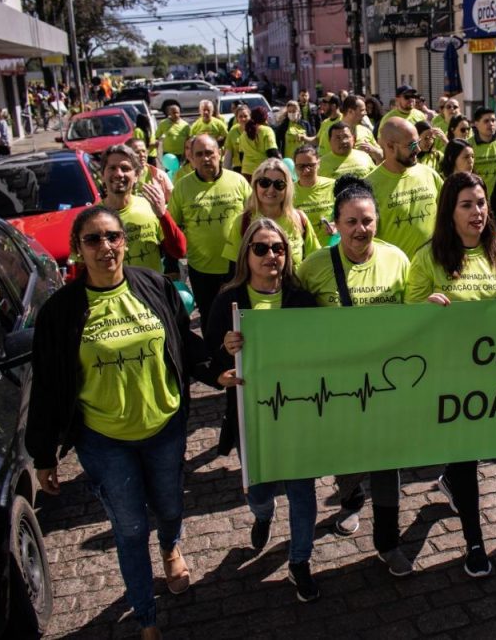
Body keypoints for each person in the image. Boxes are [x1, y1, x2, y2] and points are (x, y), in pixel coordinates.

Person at [26, 206, 211, 640]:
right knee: (128, 528)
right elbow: (49, 384)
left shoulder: (154, 285)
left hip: (164, 426)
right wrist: (43, 453)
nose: (105, 247)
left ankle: (170, 546)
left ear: (125, 241)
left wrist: (216, 368)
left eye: (112, 237)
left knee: (169, 508)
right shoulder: (61, 312)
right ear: (77, 250)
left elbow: (183, 341)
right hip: (104, 440)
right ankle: (146, 617)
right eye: (93, 240)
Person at [405, 171, 496, 576]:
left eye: (481, 203)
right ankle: (475, 543)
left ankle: (448, 478)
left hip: (493, 375)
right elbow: (408, 319)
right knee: (467, 458)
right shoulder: (428, 257)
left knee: (472, 452)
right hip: (449, 375)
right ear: (450, 211)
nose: (477, 211)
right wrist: (426, 305)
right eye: (467, 204)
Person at [296, 183, 413, 577]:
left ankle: (387, 542)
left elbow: (417, 317)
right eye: (351, 222)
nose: (360, 229)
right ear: (335, 224)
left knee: (386, 464)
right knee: (342, 457)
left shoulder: (398, 259)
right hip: (338, 389)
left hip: (386, 386)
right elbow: (286, 321)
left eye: (367, 220)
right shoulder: (313, 267)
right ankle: (349, 498)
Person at [205, 218, 322, 601]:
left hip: (298, 412)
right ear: (246, 254)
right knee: (257, 488)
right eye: (261, 248)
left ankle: (300, 561)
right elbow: (211, 361)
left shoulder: (301, 299)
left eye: (278, 248)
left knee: (303, 489)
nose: (271, 255)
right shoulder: (228, 300)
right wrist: (226, 351)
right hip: (251, 414)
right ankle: (263, 514)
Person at [168, 134, 253, 328]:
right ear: (191, 158)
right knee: (210, 320)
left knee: (241, 320)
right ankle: (214, 358)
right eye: (199, 154)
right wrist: (171, 265)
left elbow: (255, 218)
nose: (205, 158)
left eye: (209, 153)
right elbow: (173, 228)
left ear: (220, 153)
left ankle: (241, 359)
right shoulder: (182, 188)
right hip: (202, 270)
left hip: (239, 267)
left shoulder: (238, 181)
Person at [100, 144, 186, 273]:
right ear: (102, 175)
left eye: (125, 168)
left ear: (136, 176)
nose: (118, 174)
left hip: (151, 290)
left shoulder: (151, 207)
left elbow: (179, 251)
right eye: (112, 168)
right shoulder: (92, 218)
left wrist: (163, 215)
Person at [366, 117, 443, 259]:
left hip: (432, 269)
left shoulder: (429, 174)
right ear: (390, 146)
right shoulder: (369, 186)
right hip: (395, 274)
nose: (418, 149)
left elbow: (449, 212)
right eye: (412, 145)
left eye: (418, 142)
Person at [224, 157, 320, 268]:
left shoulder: (300, 219)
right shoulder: (243, 222)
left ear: (287, 188)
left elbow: (315, 261)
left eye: (279, 184)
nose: (271, 189)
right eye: (265, 183)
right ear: (255, 185)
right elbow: (234, 268)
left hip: (295, 285)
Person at [292, 145, 337, 245]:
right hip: (303, 249)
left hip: (331, 247)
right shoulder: (289, 191)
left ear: (318, 164)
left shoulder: (333, 185)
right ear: (295, 167)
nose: (306, 170)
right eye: (301, 166)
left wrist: (337, 225)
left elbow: (346, 213)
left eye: (310, 165)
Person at [239, 106, 279, 181]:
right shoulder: (267, 131)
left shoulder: (243, 134)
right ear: (265, 118)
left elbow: (241, 156)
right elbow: (272, 152)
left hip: (246, 173)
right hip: (263, 171)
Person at [342, 94, 383, 163]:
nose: (365, 113)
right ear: (350, 111)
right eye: (362, 110)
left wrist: (373, 150)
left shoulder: (366, 130)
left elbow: (381, 155)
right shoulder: (333, 132)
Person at [225, 103, 252, 173]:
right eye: (240, 116)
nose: (243, 119)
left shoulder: (256, 130)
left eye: (245, 116)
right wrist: (225, 172)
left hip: (254, 167)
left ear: (250, 117)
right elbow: (228, 154)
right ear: (236, 118)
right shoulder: (233, 131)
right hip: (238, 167)